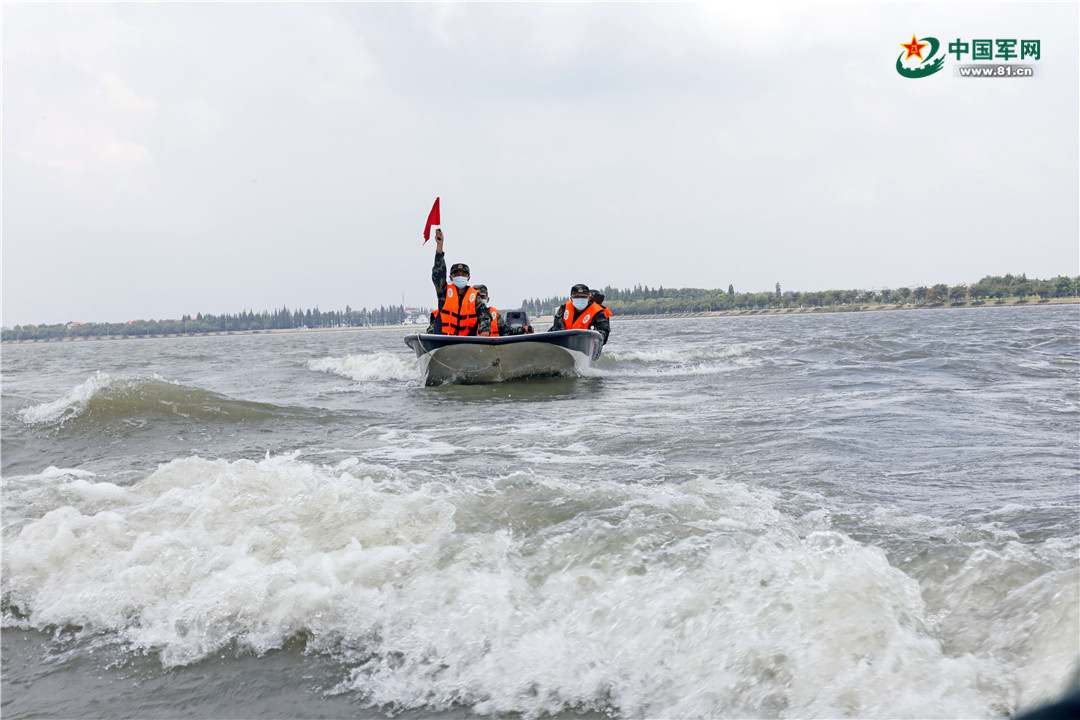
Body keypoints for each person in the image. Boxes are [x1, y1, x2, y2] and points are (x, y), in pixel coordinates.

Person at [431, 229, 490, 336]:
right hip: (444, 339)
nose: (460, 276)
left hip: (466, 341)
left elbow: (484, 314)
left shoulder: (474, 297)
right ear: (451, 277)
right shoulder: (444, 291)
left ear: (468, 278)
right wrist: (439, 246)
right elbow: (438, 274)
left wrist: (484, 331)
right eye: (456, 274)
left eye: (463, 274)